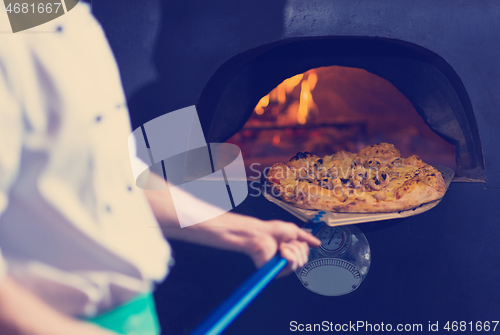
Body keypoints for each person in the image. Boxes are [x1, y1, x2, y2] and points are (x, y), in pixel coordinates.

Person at [0, 2, 320, 334]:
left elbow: (111, 178)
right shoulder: (7, 39)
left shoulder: (69, 17)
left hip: (132, 314)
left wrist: (247, 233)